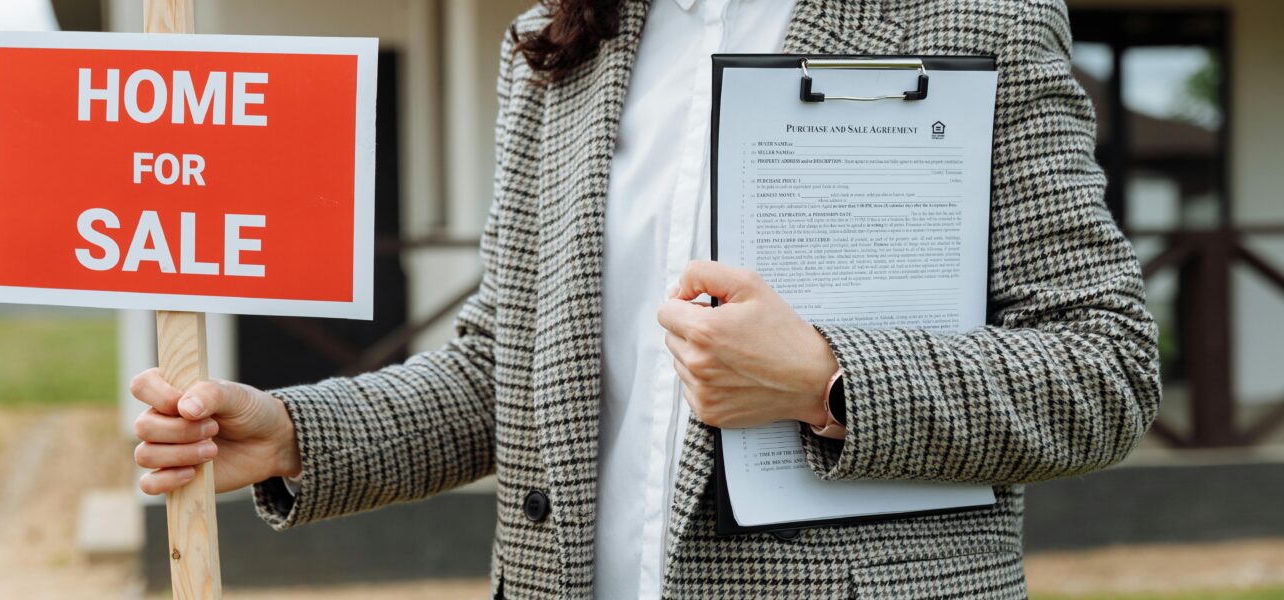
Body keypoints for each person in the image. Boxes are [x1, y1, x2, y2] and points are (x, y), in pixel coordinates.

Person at [129, 0, 1161, 597]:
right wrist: (292, 431)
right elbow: (510, 366)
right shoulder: (557, 41)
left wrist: (826, 380)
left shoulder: (966, 14)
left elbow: (1102, 364)